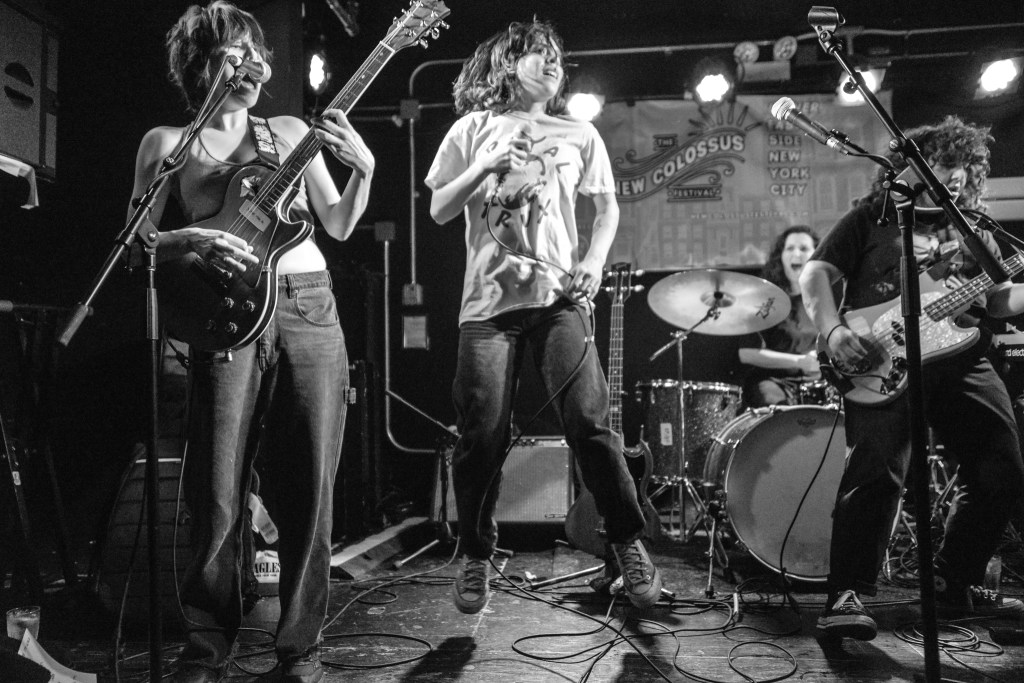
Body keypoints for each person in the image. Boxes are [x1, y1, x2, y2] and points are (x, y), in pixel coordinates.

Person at [128, 3, 374, 681]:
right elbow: (138, 242)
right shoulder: (166, 144)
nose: (251, 66)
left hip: (308, 305)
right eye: (233, 54)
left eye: (255, 53)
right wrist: (189, 237)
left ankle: (299, 646)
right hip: (226, 313)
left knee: (310, 481)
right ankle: (207, 646)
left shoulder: (287, 131)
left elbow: (338, 223)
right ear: (200, 65)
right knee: (216, 486)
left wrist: (365, 170)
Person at [424, 20, 662, 614]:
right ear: (509, 64)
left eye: (557, 55)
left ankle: (627, 543)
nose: (554, 63)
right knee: (481, 435)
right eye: (539, 54)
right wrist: (485, 166)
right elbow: (438, 209)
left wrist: (594, 262)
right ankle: (475, 554)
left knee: (590, 423)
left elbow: (606, 209)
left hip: (559, 300)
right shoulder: (471, 129)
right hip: (487, 307)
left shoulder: (579, 132)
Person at [800, 115, 1024, 641]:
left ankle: (954, 579)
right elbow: (816, 274)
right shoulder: (873, 217)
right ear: (914, 167)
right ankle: (846, 595)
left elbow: (998, 300)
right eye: (947, 163)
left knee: (1002, 469)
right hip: (883, 358)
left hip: (963, 358)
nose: (958, 176)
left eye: (967, 168)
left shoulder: (976, 229)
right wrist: (833, 331)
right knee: (877, 472)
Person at [738, 226, 822, 407]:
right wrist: (799, 361)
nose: (796, 254)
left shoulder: (824, 298)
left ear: (816, 256)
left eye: (804, 248)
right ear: (781, 256)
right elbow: (746, 353)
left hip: (816, 384)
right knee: (777, 406)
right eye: (790, 248)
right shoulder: (765, 300)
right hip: (774, 382)